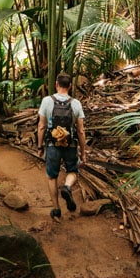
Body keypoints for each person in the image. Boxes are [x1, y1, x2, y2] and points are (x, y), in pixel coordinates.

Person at [37, 73, 87, 220]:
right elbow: (81, 130)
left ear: (56, 85)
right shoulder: (76, 103)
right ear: (70, 86)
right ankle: (67, 186)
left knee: (52, 177)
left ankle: (56, 210)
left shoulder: (47, 101)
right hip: (70, 145)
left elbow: (41, 126)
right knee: (73, 171)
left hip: (53, 145)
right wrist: (83, 153)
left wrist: (40, 147)